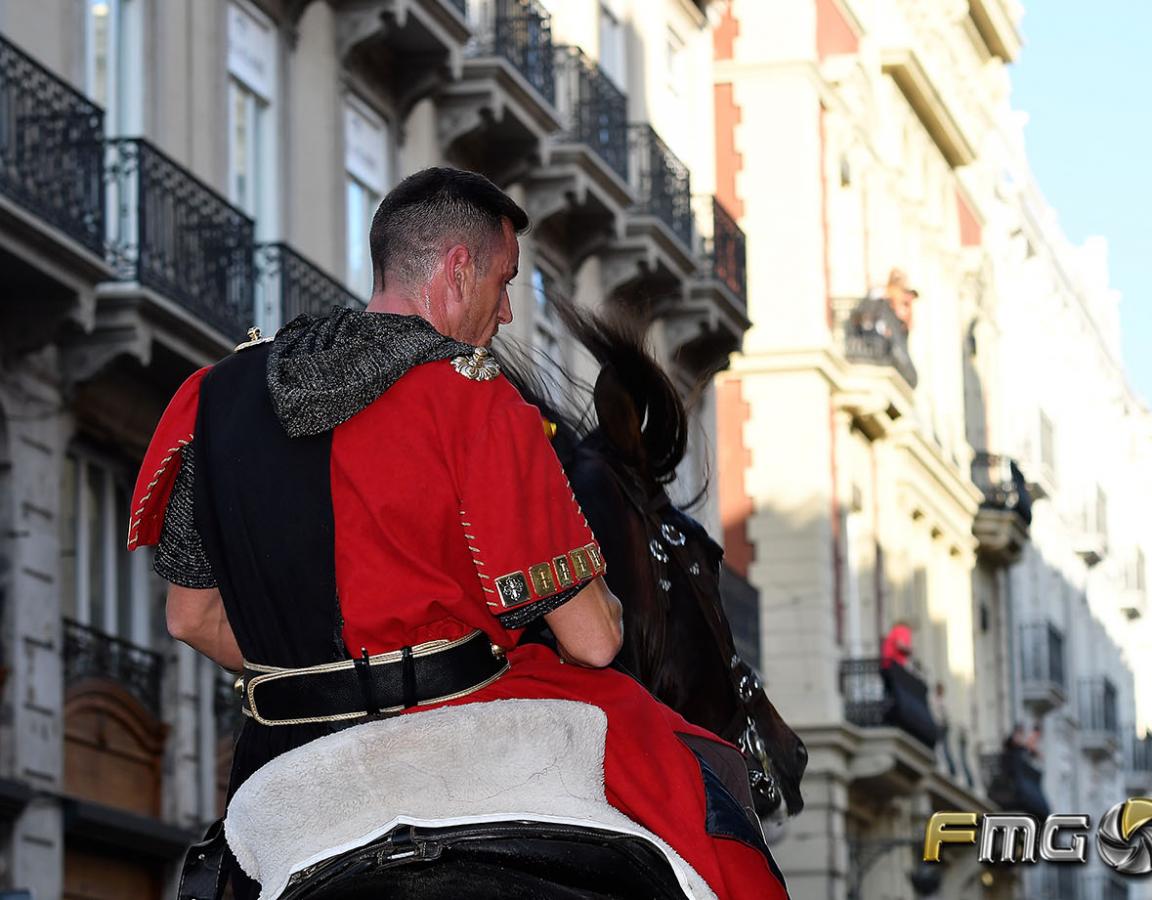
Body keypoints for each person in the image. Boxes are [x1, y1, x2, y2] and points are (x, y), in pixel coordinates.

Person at [129, 168, 786, 900]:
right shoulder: (473, 395)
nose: (506, 314)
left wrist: (319, 674)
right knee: (707, 784)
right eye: (505, 283)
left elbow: (191, 617)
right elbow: (594, 642)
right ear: (458, 269)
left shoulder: (208, 398)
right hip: (464, 726)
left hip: (281, 758)